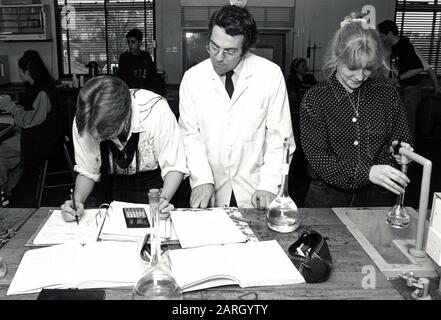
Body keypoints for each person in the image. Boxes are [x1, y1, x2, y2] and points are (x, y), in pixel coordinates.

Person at [179, 5, 295, 209]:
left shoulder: (269, 75)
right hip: (211, 188)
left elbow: (280, 138)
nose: (218, 57)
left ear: (246, 50)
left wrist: (268, 184)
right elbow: (190, 136)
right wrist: (202, 179)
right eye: (214, 47)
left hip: (256, 188)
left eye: (230, 51)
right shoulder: (193, 78)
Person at [300, 13, 413, 208]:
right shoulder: (316, 98)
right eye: (352, 67)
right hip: (327, 197)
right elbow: (317, 157)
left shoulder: (387, 94)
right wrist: (367, 172)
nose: (360, 76)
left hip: (376, 195)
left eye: (368, 68)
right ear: (337, 57)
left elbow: (400, 138)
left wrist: (400, 151)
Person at [60, 76, 188, 222]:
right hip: (112, 189)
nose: (98, 140)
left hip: (156, 187)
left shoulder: (156, 111)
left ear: (126, 116)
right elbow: (88, 171)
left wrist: (163, 201)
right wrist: (77, 202)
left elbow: (174, 166)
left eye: (106, 134)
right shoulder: (85, 120)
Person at [0, 50, 62, 206]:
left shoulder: (41, 92)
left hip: (40, 140)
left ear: (26, 72)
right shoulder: (40, 86)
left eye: (20, 70)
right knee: (8, 150)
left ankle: (3, 193)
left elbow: (29, 121)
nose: (19, 74)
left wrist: (11, 107)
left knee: (1, 152)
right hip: (41, 135)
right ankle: (7, 193)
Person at [377, 20, 424, 138]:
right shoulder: (395, 48)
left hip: (410, 92)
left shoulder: (404, 46)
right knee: (400, 124)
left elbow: (418, 68)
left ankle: (407, 152)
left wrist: (397, 79)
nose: (381, 39)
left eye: (382, 35)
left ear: (389, 33)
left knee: (407, 126)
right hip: (403, 91)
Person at [117, 28, 163, 95]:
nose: (130, 45)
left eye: (133, 42)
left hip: (145, 92)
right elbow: (123, 79)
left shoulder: (146, 56)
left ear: (140, 42)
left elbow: (152, 75)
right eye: (128, 42)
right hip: (130, 92)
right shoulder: (124, 57)